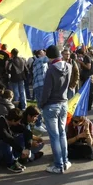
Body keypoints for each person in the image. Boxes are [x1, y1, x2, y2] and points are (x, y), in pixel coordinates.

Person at [40, 45, 71, 174]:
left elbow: (46, 90)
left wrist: (41, 104)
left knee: (54, 136)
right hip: (63, 102)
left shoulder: (51, 69)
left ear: (50, 56)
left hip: (52, 105)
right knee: (62, 133)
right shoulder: (68, 66)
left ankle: (58, 165)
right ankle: (65, 160)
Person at [0, 108, 29, 173]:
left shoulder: (11, 123)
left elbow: (26, 131)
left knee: (21, 136)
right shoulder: (0, 126)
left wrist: (27, 148)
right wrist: (21, 150)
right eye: (18, 121)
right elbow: (8, 139)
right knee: (6, 141)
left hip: (7, 149)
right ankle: (11, 163)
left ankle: (15, 159)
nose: (19, 123)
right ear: (13, 120)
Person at [32, 50, 49, 134]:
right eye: (43, 52)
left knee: (42, 105)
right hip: (40, 86)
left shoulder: (40, 61)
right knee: (40, 105)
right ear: (39, 55)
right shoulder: (39, 60)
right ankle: (38, 124)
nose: (45, 53)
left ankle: (40, 122)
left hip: (40, 85)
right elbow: (48, 58)